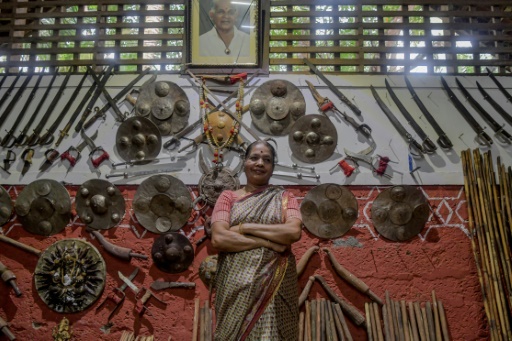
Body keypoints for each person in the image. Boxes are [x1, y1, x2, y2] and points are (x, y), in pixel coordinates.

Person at [211, 140, 303, 340]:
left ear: (272, 167)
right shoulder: (228, 198)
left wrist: (246, 227)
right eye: (254, 157)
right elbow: (219, 238)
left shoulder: (286, 198)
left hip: (275, 288)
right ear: (244, 162)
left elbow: (293, 232)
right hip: (234, 289)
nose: (260, 163)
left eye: (266, 160)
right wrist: (269, 243)